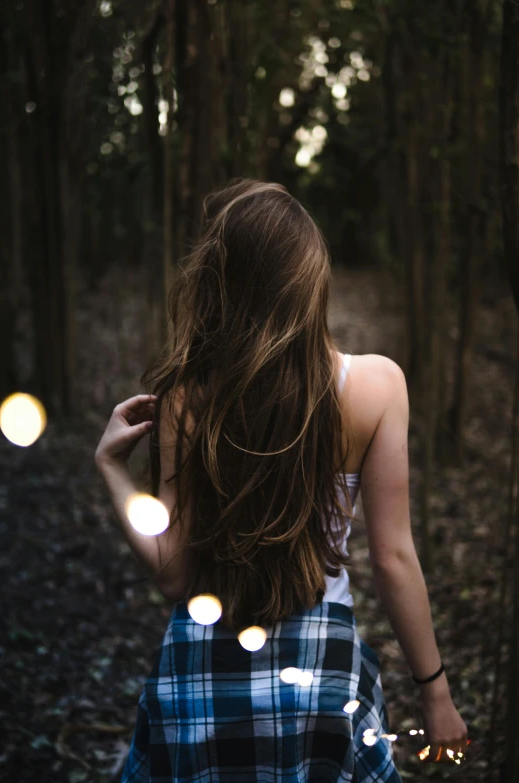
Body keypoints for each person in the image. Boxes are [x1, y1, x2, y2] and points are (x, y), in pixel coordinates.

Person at [95, 178, 468, 781]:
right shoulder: (376, 387)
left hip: (199, 676)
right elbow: (394, 557)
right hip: (323, 683)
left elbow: (174, 574)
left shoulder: (187, 398)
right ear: (310, 277)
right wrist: (436, 693)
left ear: (218, 282)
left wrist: (111, 469)